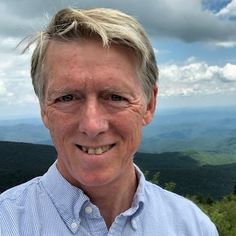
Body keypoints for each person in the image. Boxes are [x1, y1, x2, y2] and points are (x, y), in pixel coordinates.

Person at [0, 7, 218, 236]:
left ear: (149, 105)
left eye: (115, 97)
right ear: (44, 108)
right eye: (67, 98)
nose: (92, 126)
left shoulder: (193, 227)